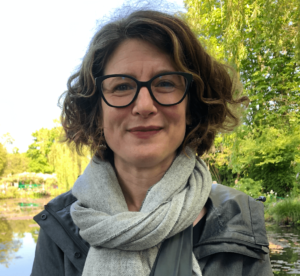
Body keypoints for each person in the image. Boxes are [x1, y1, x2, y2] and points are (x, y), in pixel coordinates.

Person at [31, 9, 273, 276]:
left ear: (191, 107)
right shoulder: (58, 226)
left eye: (166, 83)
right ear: (97, 112)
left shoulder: (241, 220)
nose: (144, 106)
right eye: (121, 86)